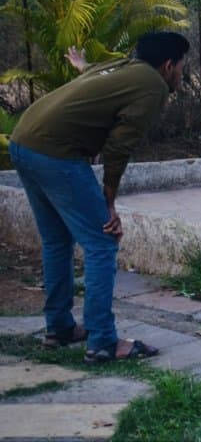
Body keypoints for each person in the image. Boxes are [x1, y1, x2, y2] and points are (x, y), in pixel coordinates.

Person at [8, 31, 190, 362]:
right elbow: (119, 148)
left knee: (57, 241)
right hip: (56, 153)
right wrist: (109, 203)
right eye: (181, 66)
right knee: (102, 241)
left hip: (23, 142)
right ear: (168, 65)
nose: (181, 74)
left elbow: (92, 73)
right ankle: (104, 341)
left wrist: (82, 64)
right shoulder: (153, 87)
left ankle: (59, 328)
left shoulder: (122, 66)